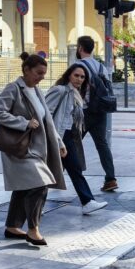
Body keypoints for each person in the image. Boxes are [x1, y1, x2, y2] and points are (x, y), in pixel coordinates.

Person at [0, 53, 67, 247]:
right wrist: (23, 123)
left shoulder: (36, 90)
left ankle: (12, 226)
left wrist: (58, 142)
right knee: (39, 184)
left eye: (44, 74)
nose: (42, 77)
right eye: (38, 73)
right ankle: (33, 230)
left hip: (36, 148)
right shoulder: (14, 88)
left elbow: (46, 121)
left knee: (24, 187)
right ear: (26, 70)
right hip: (20, 147)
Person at [45, 65, 108, 215]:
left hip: (68, 136)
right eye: (76, 75)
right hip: (57, 136)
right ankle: (31, 205)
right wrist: (55, 139)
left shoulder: (75, 94)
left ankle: (87, 202)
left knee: (74, 169)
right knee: (47, 172)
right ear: (68, 76)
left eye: (82, 77)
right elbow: (45, 113)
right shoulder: (59, 90)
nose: (79, 79)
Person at [75, 36, 118, 192]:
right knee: (102, 145)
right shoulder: (101, 67)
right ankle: (111, 179)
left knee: (71, 144)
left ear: (80, 48)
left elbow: (73, 89)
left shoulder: (77, 66)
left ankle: (56, 176)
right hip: (100, 112)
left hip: (83, 112)